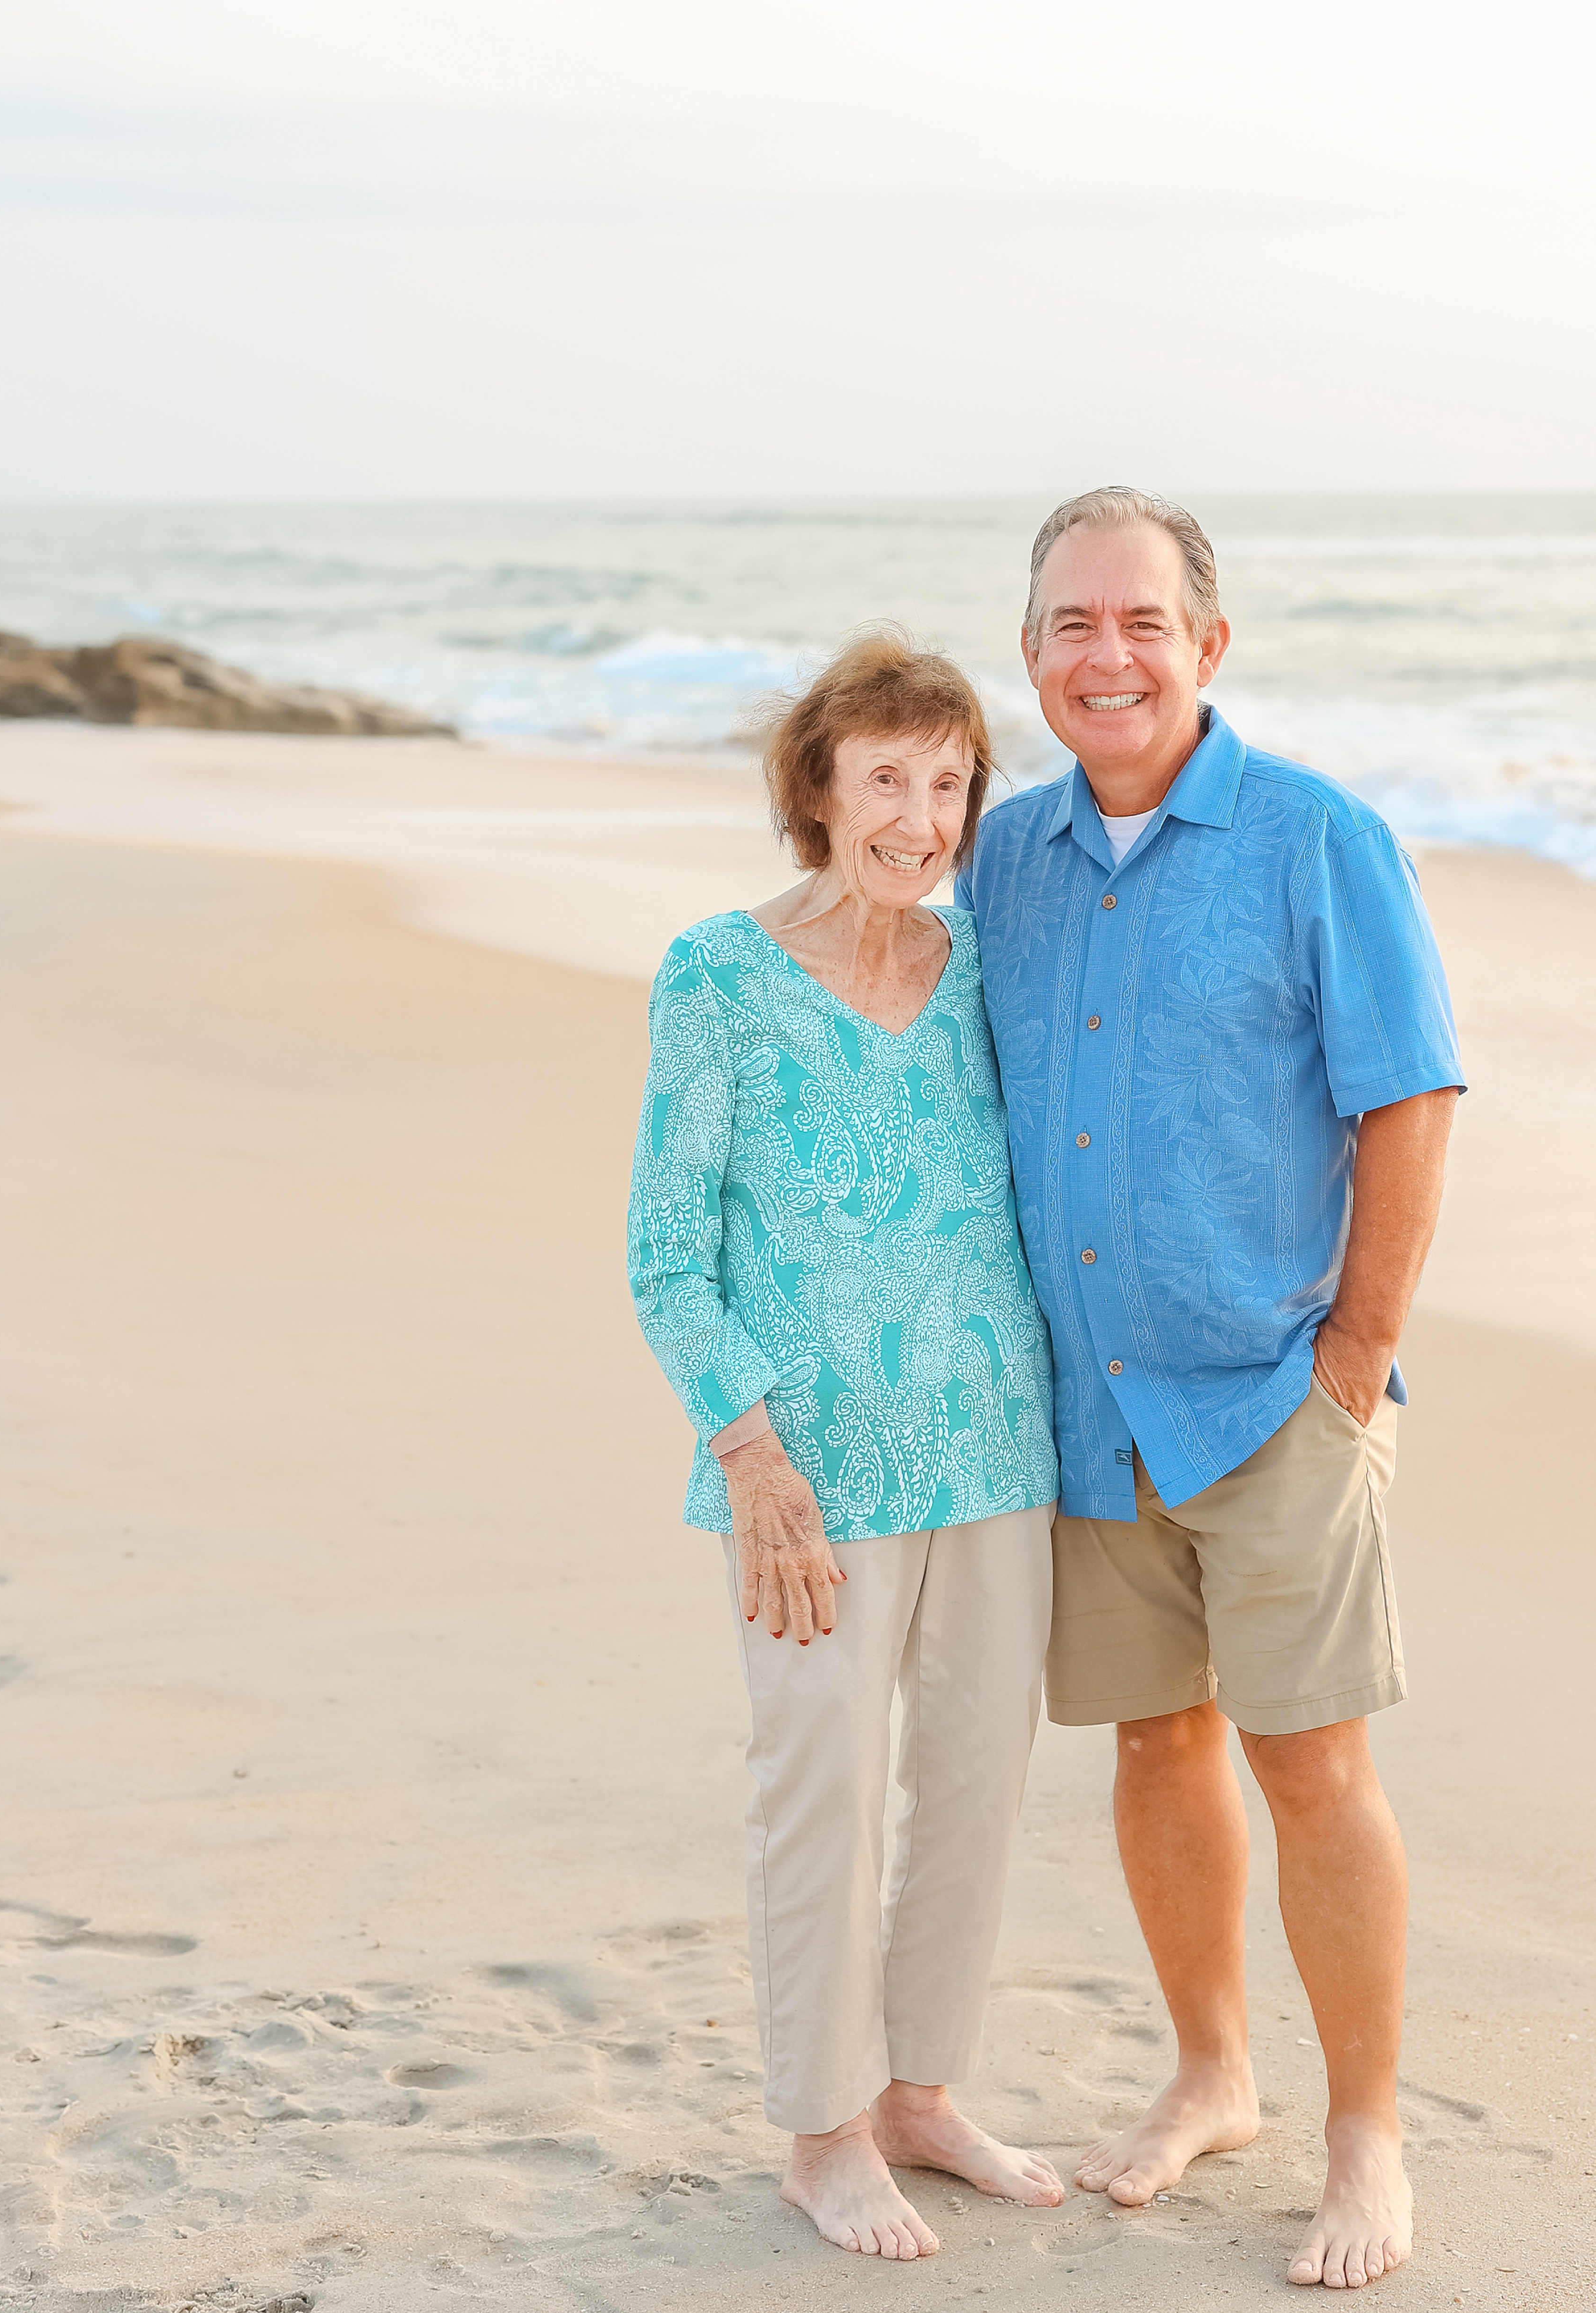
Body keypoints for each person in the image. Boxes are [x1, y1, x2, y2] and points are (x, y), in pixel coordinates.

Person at [956, 488, 1464, 2293]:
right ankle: (1210, 2075)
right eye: (1072, 627)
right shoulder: (1000, 859)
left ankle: (1362, 2132)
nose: (1108, 655)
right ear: (1029, 660)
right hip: (1081, 1406)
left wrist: (1349, 1357)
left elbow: (1407, 1097)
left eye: (1142, 623)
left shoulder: (1314, 839)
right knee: (1158, 1742)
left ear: (1206, 646)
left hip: (1268, 1393)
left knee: (1310, 1763)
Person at [627, 631, 1063, 2261]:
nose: (920, 815)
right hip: (806, 1478)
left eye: (948, 783)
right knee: (819, 1786)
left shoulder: (980, 977)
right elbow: (667, 1253)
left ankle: (919, 2095)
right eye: (886, 777)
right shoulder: (716, 977)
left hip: (995, 1449)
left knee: (972, 1784)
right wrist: (750, 1461)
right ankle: (822, 2131)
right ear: (815, 789)